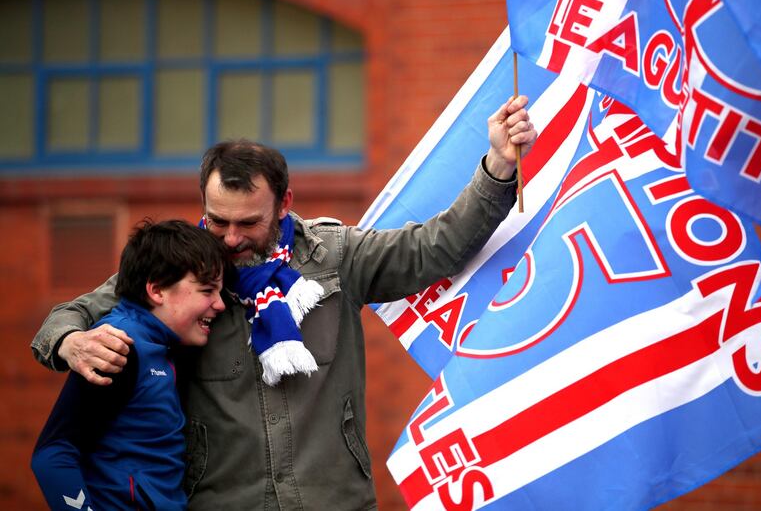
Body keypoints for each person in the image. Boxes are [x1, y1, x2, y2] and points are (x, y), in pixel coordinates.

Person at [31, 95, 538, 510]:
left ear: (285, 203)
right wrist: (72, 343)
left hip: (332, 501)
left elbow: (436, 247)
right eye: (217, 220)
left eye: (248, 223)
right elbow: (64, 318)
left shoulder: (337, 254)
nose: (229, 240)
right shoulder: (182, 270)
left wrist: (497, 167)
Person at [31, 219, 230, 510]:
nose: (220, 304)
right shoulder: (117, 348)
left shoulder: (163, 343)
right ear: (157, 290)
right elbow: (52, 455)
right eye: (207, 290)